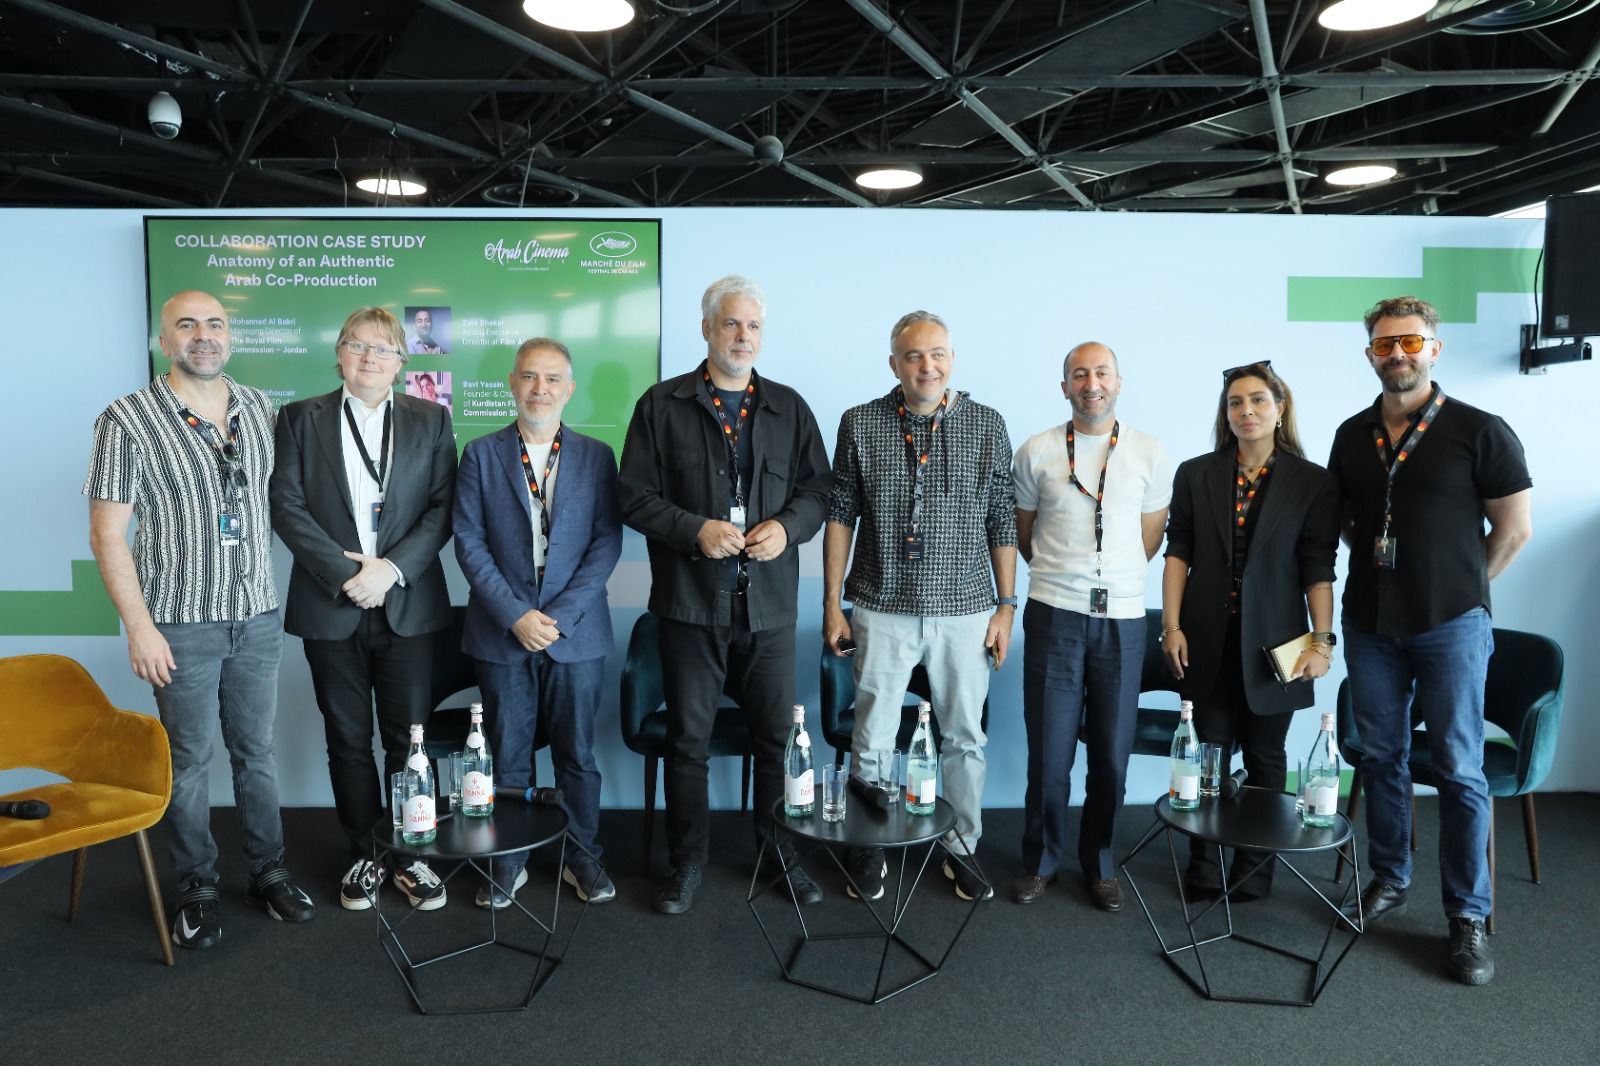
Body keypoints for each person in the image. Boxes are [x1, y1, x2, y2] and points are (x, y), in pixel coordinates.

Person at [84, 290, 316, 950]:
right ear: (165, 342)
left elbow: (291, 502)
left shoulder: (261, 409)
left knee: (256, 754)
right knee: (189, 762)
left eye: (214, 323)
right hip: (179, 624)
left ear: (229, 337)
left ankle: (269, 871)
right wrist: (140, 627)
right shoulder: (126, 420)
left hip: (256, 616)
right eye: (187, 325)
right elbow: (107, 534)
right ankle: (197, 885)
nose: (203, 335)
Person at [1328, 296, 1532, 986]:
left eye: (1410, 342)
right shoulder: (1351, 435)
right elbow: (1351, 524)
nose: (1398, 354)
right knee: (1381, 755)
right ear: (1370, 355)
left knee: (1458, 767)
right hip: (1371, 625)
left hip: (1451, 627)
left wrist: (1458, 589)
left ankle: (1467, 915)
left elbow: (1514, 530)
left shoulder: (1481, 430)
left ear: (1434, 349)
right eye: (1385, 345)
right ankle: (1390, 877)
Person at [618, 275, 831, 915]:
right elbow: (633, 497)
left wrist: (787, 529)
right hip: (689, 605)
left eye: (753, 326)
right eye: (731, 324)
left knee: (777, 739)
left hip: (769, 608)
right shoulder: (661, 405)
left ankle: (779, 854)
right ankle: (687, 863)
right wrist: (695, 530)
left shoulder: (789, 408)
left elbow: (818, 492)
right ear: (707, 328)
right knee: (688, 742)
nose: (743, 336)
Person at [824, 310, 1017, 903]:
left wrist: (1006, 608)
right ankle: (869, 847)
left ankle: (962, 849)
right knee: (873, 736)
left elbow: (1002, 520)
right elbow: (840, 515)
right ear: (894, 364)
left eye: (937, 355)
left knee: (965, 738)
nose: (926, 366)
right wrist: (832, 603)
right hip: (880, 604)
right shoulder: (860, 423)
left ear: (952, 360)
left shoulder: (987, 424)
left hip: (966, 609)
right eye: (913, 356)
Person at [269, 307, 457, 913]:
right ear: (339, 354)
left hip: (407, 602)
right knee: (347, 739)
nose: (370, 357)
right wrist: (351, 574)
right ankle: (365, 853)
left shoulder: (432, 419)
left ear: (402, 361)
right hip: (331, 602)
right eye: (358, 345)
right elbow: (286, 505)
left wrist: (389, 570)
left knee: (408, 739)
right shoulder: (299, 418)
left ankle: (410, 856)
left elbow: (443, 508)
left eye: (383, 348)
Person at [454, 338, 622, 908]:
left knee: (577, 756)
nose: (540, 389)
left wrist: (559, 615)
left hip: (576, 632)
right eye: (529, 377)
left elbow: (606, 542)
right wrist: (516, 615)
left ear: (569, 389)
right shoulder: (480, 454)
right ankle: (510, 861)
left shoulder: (597, 456)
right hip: (502, 633)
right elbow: (468, 541)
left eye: (552, 379)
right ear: (512, 383)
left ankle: (583, 857)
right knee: (508, 753)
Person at [1162, 361, 1339, 900]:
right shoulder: (1196, 473)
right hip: (1207, 640)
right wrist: (1171, 625)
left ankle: (1253, 871)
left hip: (1280, 645)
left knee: (1265, 757)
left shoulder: (1313, 482)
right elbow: (1178, 553)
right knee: (1208, 756)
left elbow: (1318, 568)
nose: (1247, 411)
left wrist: (1323, 641)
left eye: (1259, 400)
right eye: (1236, 402)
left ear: (1280, 409)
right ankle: (1203, 865)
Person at [1008, 342, 1170, 911]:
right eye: (1080, 374)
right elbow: (1024, 534)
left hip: (1122, 620)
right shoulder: (1037, 450)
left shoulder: (1150, 452)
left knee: (1111, 756)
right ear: (1065, 387)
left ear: (1119, 383)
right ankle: (1040, 862)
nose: (1091, 383)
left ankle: (1099, 863)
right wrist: (1066, 578)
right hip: (1054, 613)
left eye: (1102, 373)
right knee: (1049, 754)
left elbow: (1149, 539)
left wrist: (1113, 578)